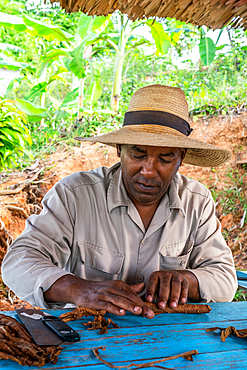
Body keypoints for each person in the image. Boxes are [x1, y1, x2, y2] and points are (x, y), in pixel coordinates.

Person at [2, 85, 237, 319]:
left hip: (172, 340)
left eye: (165, 158)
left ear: (181, 157)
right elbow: (19, 261)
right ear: (119, 149)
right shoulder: (74, 195)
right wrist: (79, 289)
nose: (148, 170)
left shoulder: (196, 201)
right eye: (138, 154)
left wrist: (187, 280)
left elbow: (225, 279)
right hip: (89, 340)